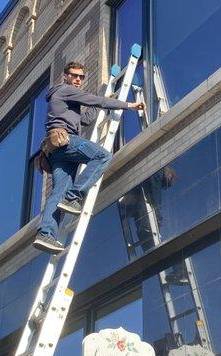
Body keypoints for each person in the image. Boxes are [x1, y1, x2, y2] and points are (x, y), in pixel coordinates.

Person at [33, 61, 145, 253]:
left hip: (55, 150)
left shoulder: (67, 101)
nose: (77, 80)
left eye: (81, 77)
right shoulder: (64, 90)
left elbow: (84, 120)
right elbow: (95, 100)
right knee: (102, 156)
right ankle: (74, 196)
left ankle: (45, 234)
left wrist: (102, 103)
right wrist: (129, 105)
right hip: (64, 140)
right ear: (66, 76)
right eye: (74, 75)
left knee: (58, 190)